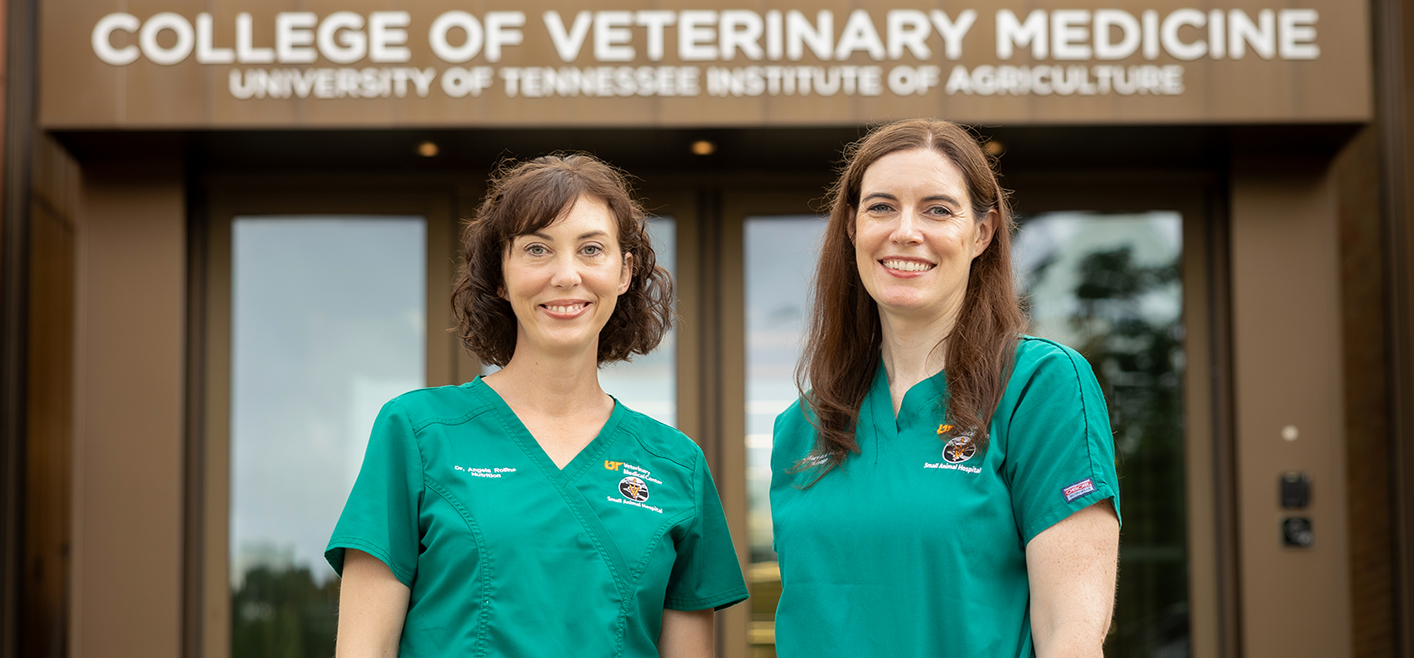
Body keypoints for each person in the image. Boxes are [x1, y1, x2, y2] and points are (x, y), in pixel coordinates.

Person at [326, 153, 748, 658]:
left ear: (624, 272)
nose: (566, 275)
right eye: (537, 249)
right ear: (501, 276)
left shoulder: (677, 466)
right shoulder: (417, 432)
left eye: (591, 249)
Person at [769, 119, 1121, 657]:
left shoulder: (1038, 385)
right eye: (881, 207)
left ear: (982, 233)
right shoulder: (803, 425)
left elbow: (1070, 633)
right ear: (851, 226)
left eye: (938, 209)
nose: (906, 231)